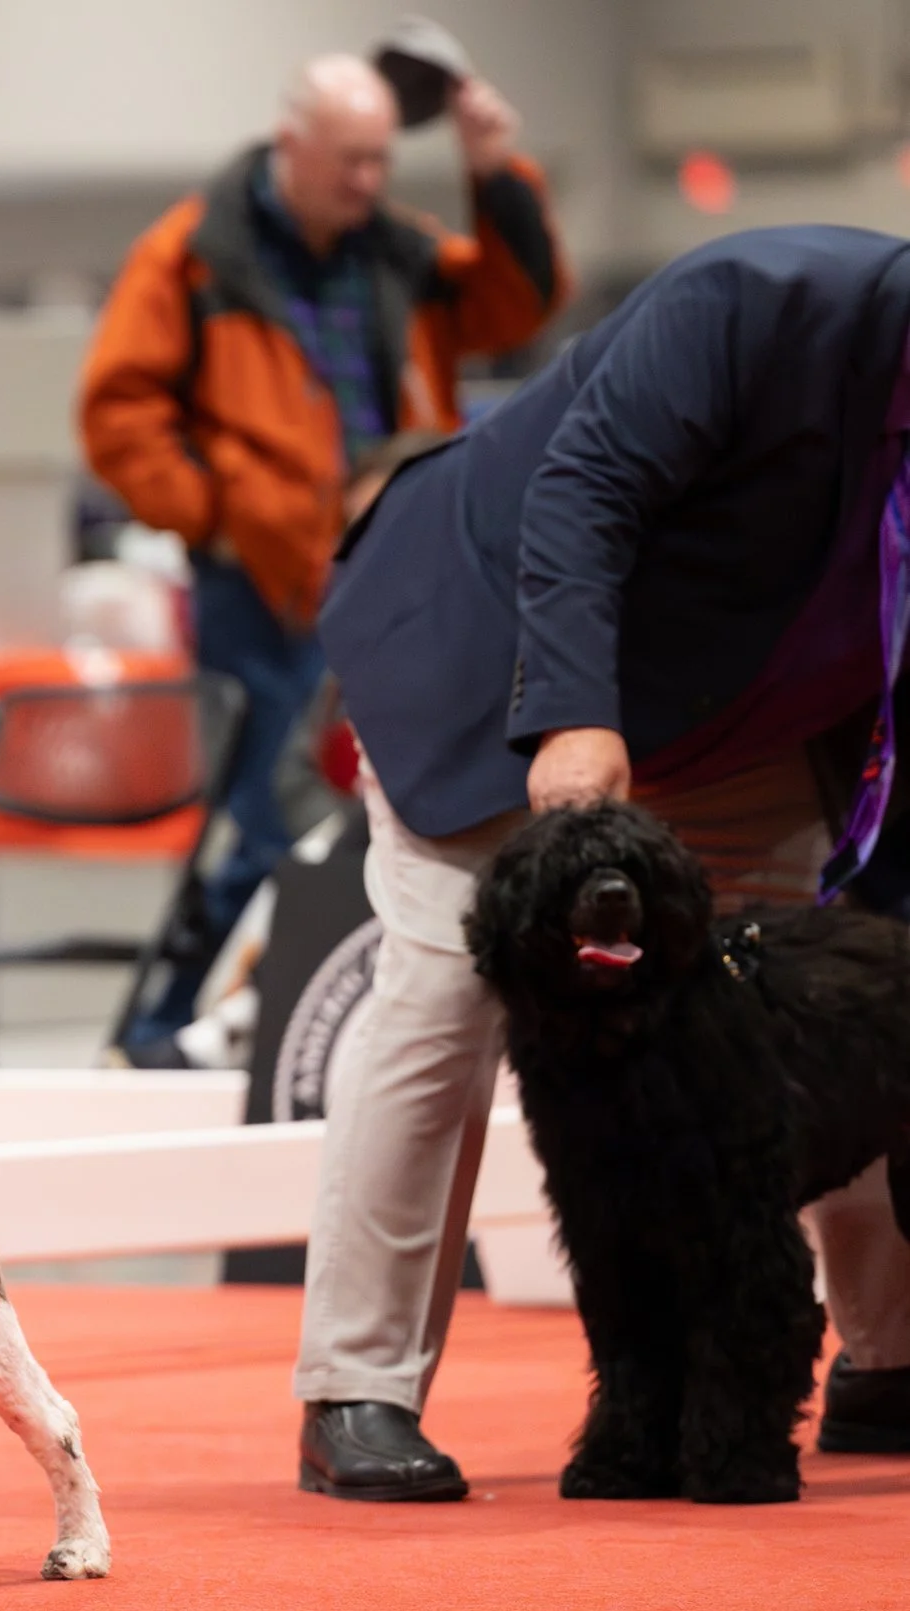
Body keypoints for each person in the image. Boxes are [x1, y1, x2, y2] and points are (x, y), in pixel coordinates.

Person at [297, 224, 910, 1502]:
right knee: (439, 991)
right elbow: (582, 493)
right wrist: (572, 710)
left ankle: (887, 1361)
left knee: (838, 989)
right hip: (496, 653)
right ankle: (357, 1388)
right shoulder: (748, 298)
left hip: (747, 700)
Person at [79, 52, 566, 1053]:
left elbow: (515, 307)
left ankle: (291, 1031)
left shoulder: (396, 249)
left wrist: (495, 170)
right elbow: (116, 410)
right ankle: (179, 1035)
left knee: (389, 823)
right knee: (268, 822)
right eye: (348, 160)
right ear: (290, 144)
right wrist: (214, 514)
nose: (367, 182)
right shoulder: (191, 255)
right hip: (260, 591)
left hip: (395, 577)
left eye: (381, 160)